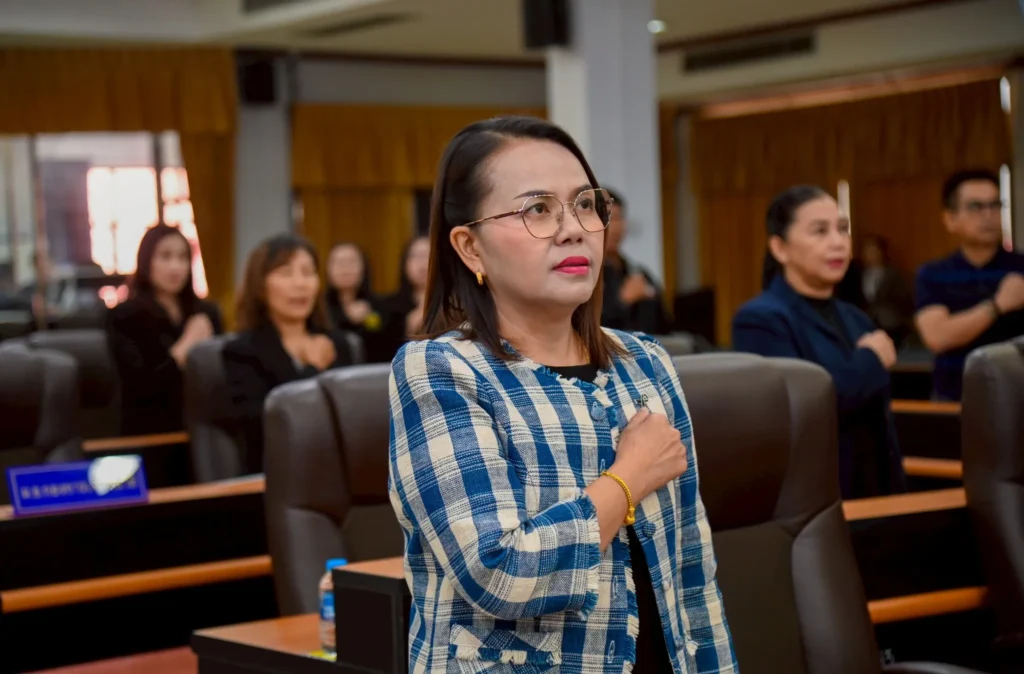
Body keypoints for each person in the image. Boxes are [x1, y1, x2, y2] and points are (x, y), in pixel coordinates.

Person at [388, 116, 735, 674]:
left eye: (585, 205)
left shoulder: (645, 363)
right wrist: (628, 478)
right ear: (470, 247)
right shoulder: (441, 370)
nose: (574, 229)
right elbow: (497, 572)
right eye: (538, 209)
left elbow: (691, 572)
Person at [733, 185, 906, 498]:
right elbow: (804, 410)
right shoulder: (761, 320)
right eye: (820, 231)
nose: (838, 242)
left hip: (875, 494)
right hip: (813, 496)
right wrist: (870, 359)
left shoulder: (856, 318)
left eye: (842, 229)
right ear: (780, 248)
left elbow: (881, 424)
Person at [222, 234, 354, 474]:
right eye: (286, 273)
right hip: (277, 475)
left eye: (308, 272)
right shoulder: (241, 352)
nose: (300, 284)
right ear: (261, 285)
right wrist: (312, 369)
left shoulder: (338, 343)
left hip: (339, 471)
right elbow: (266, 429)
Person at [915, 169, 1024, 400]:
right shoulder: (933, 274)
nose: (988, 215)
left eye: (995, 205)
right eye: (976, 207)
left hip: (1017, 398)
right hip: (954, 398)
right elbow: (938, 337)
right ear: (950, 219)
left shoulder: (1020, 269)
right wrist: (997, 305)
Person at [107, 224, 222, 436]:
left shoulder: (206, 312)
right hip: (151, 431)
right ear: (146, 261)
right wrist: (186, 346)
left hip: (206, 427)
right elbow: (140, 388)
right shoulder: (124, 317)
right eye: (165, 257)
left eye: (183, 257)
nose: (175, 267)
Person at [600, 189, 669, 334]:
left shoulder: (637, 272)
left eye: (619, 218)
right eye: (608, 219)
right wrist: (623, 301)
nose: (615, 227)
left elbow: (665, 324)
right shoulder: (587, 274)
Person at [324, 242, 388, 362]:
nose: (345, 268)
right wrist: (345, 317)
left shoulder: (382, 307)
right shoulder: (320, 309)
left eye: (351, 262)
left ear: (364, 267)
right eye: (339, 262)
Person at [379, 236, 430, 361]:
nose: (422, 263)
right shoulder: (389, 307)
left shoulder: (457, 303)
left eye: (429, 255)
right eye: (416, 256)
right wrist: (409, 329)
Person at [859, 235, 914, 347]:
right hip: (867, 321)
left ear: (881, 252)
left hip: (890, 323)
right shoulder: (861, 274)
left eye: (874, 251)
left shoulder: (893, 274)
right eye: (868, 251)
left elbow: (904, 300)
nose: (871, 255)